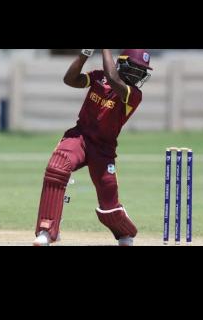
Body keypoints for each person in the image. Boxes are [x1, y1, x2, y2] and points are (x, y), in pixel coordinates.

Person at [33, 49, 153, 246]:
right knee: (56, 168)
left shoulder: (134, 94)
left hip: (103, 150)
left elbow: (114, 80)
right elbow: (70, 80)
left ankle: (126, 232)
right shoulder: (98, 77)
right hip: (79, 137)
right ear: (122, 64)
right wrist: (85, 53)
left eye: (142, 71)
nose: (138, 74)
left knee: (109, 205)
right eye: (136, 68)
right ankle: (47, 231)